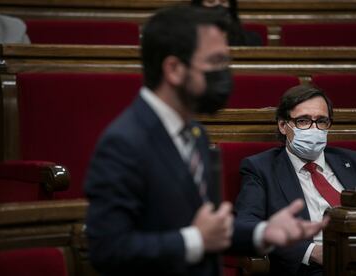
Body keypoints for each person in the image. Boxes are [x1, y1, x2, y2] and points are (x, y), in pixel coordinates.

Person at [85, 7, 327, 276]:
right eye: (215, 62)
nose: (225, 74)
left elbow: (210, 228)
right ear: (174, 69)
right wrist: (195, 240)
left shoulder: (195, 134)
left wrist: (264, 232)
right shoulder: (124, 142)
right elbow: (107, 250)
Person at [235, 84, 356, 276]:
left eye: (321, 121)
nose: (314, 129)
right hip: (310, 268)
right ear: (283, 126)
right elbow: (246, 225)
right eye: (303, 121)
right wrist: (310, 252)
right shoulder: (260, 168)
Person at [191, 0, 264, 46]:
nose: (218, 6)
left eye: (223, 2)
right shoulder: (186, 41)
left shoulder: (252, 40)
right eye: (211, 2)